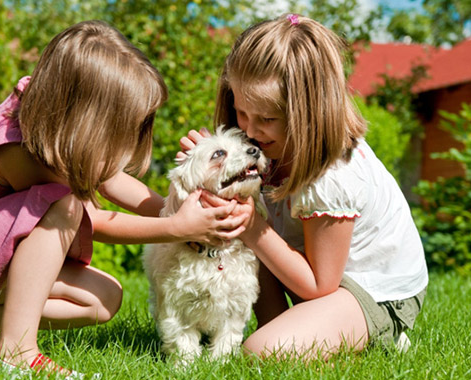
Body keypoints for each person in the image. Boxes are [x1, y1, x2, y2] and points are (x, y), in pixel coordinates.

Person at [0, 20, 249, 377]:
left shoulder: (52, 124)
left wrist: (179, 210)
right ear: (86, 118)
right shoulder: (18, 150)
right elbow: (88, 219)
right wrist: (176, 227)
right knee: (66, 206)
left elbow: (108, 178)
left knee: (104, 299)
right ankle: (17, 351)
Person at [179, 14, 428, 360]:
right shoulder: (269, 144)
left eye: (267, 119)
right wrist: (203, 168)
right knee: (270, 339)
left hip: (372, 290)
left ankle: (380, 333)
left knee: (259, 352)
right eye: (241, 112)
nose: (250, 130)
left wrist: (252, 226)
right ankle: (290, 330)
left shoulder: (333, 174)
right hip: (312, 274)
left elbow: (319, 285)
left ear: (309, 112)